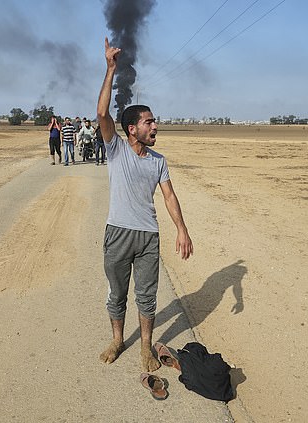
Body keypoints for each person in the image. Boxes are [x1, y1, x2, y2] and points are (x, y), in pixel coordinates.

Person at [97, 37, 193, 372]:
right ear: (132, 129)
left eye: (154, 121)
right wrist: (110, 70)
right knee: (117, 294)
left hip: (148, 236)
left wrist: (182, 229)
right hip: (118, 234)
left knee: (147, 296)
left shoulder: (158, 160)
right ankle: (117, 339)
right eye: (149, 122)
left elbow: (168, 195)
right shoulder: (117, 149)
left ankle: (146, 349)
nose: (156, 126)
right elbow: (101, 113)